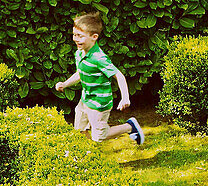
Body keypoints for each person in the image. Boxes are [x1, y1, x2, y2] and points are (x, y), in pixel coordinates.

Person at [54, 10, 144, 145]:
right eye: (74, 35)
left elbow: (118, 75)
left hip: (99, 103)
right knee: (79, 129)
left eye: (80, 36)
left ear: (94, 37)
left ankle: (129, 126)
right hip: (85, 99)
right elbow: (81, 72)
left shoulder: (99, 58)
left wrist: (125, 97)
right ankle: (88, 154)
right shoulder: (79, 53)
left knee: (100, 135)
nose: (75, 39)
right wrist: (65, 84)